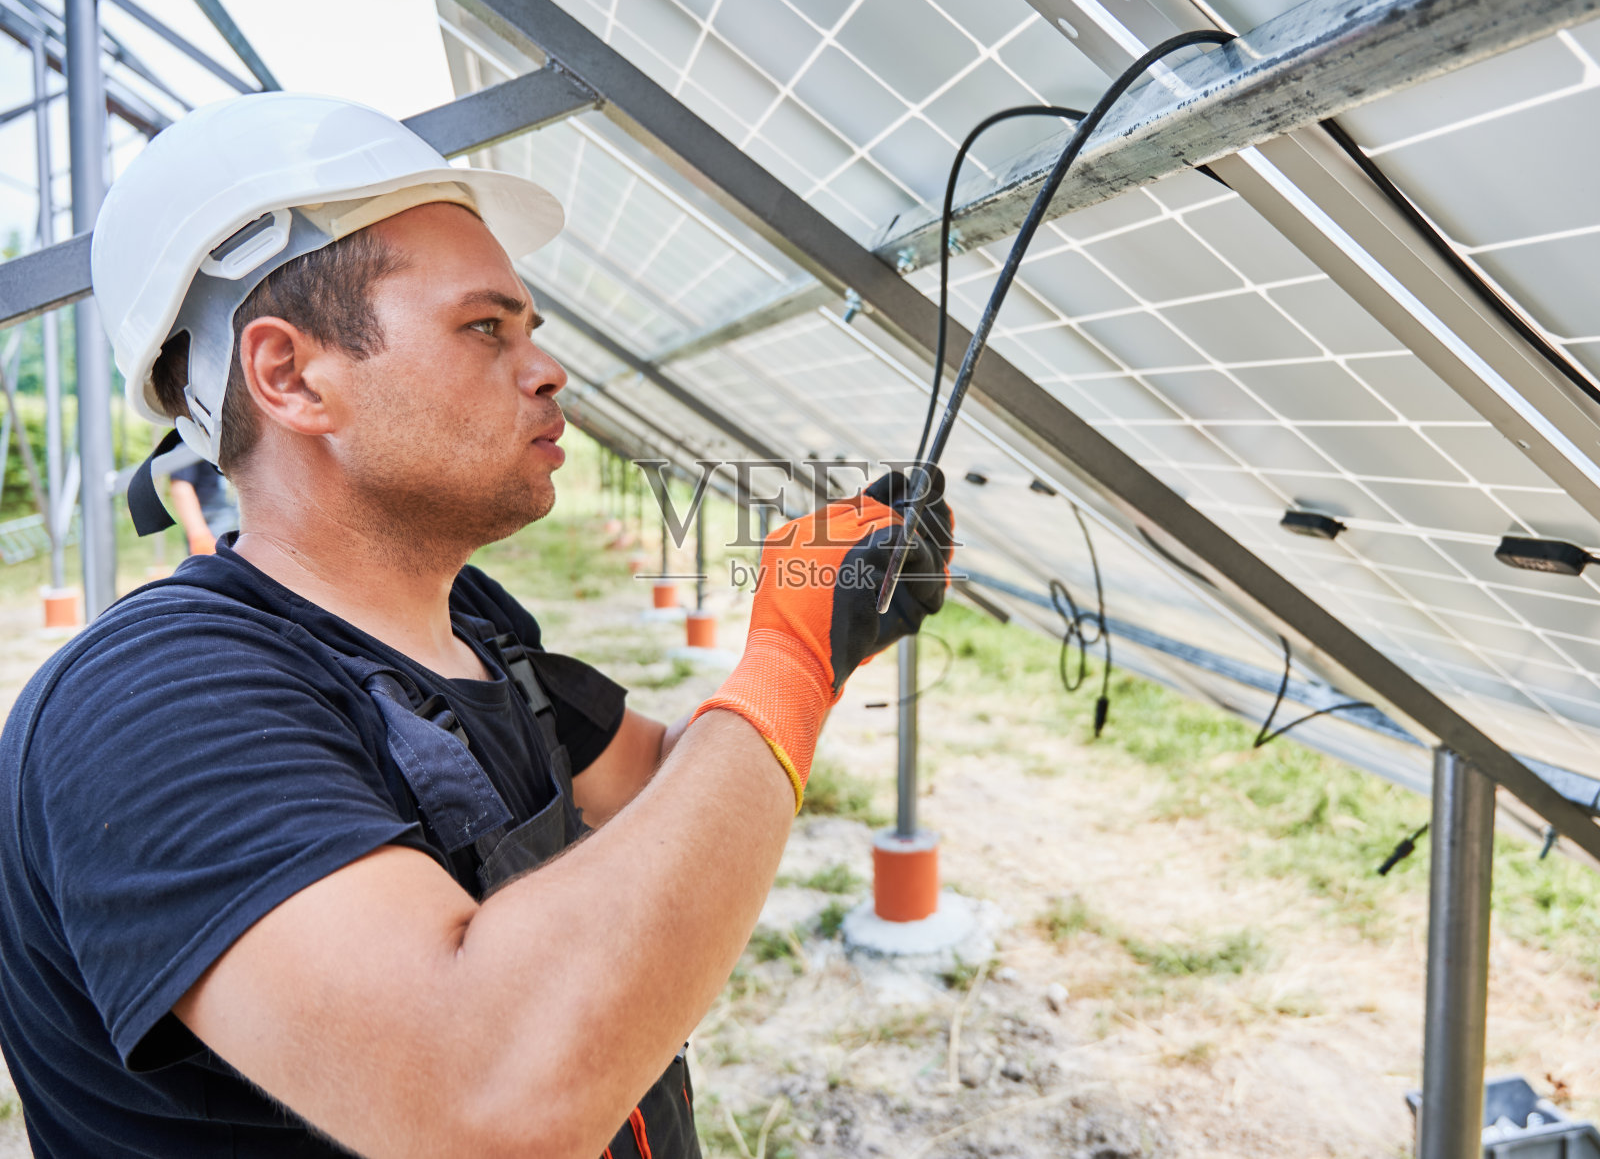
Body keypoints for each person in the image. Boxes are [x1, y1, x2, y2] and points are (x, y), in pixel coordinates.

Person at [0, 93, 952, 1158]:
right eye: (485, 327)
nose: (546, 369)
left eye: (531, 330)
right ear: (289, 373)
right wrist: (788, 655)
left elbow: (663, 782)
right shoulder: (153, 705)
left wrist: (830, 629)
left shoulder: (472, 624)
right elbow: (487, 1096)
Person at [167, 454, 237, 554]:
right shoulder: (187, 440)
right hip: (211, 520)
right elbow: (181, 484)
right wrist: (199, 535)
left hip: (238, 514)